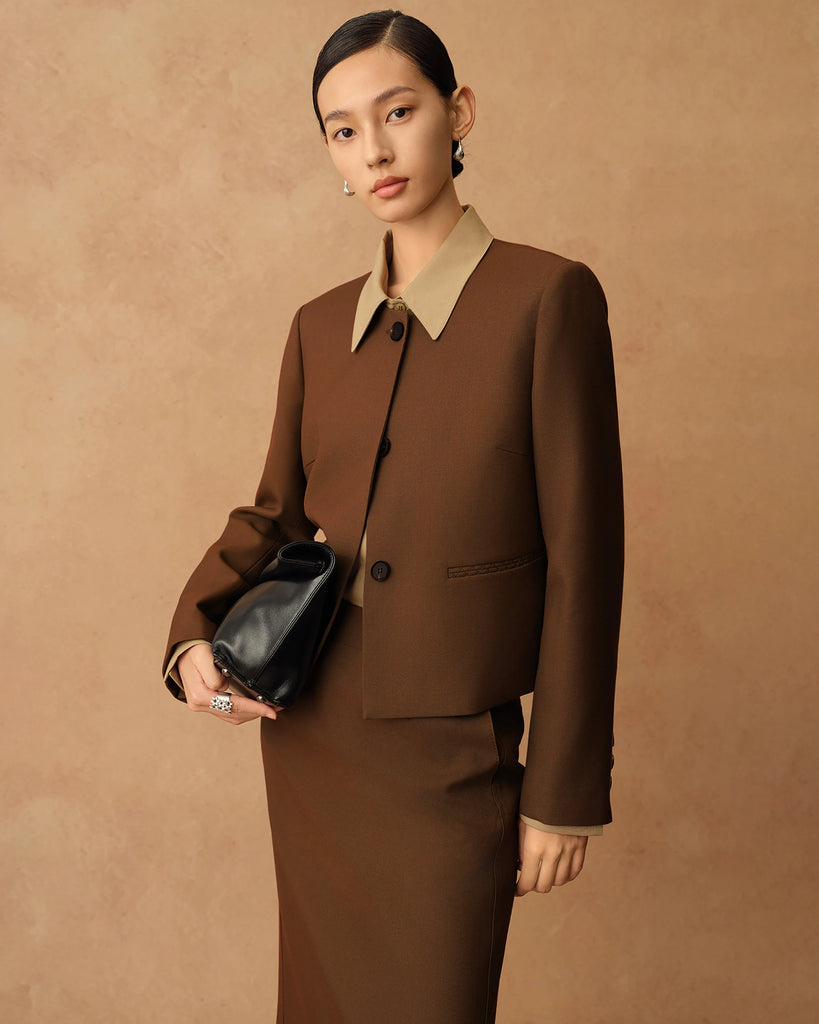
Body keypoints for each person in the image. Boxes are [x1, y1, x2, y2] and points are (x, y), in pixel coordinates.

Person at [161, 9, 624, 1023]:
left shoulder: (548, 299)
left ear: (458, 113)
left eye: (398, 112)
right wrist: (191, 637)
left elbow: (586, 562)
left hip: (453, 753)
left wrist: (561, 792)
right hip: (314, 741)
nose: (373, 149)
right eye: (342, 129)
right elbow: (275, 514)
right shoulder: (317, 326)